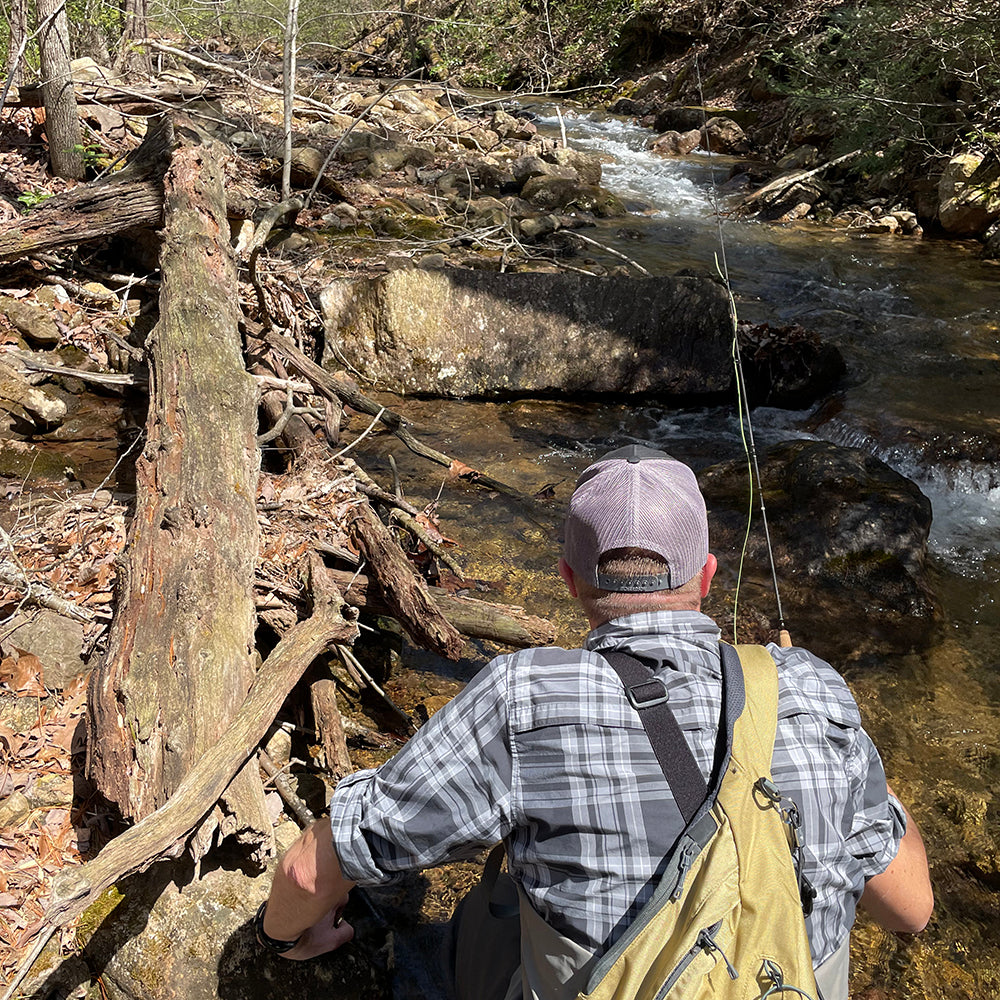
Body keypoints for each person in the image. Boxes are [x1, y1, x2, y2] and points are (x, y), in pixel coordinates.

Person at [256, 444, 933, 999]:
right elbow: (911, 910)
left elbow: (317, 869)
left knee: (479, 919)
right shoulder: (813, 686)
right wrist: (848, 743)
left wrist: (284, 940)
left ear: (570, 580)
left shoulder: (525, 695)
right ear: (708, 575)